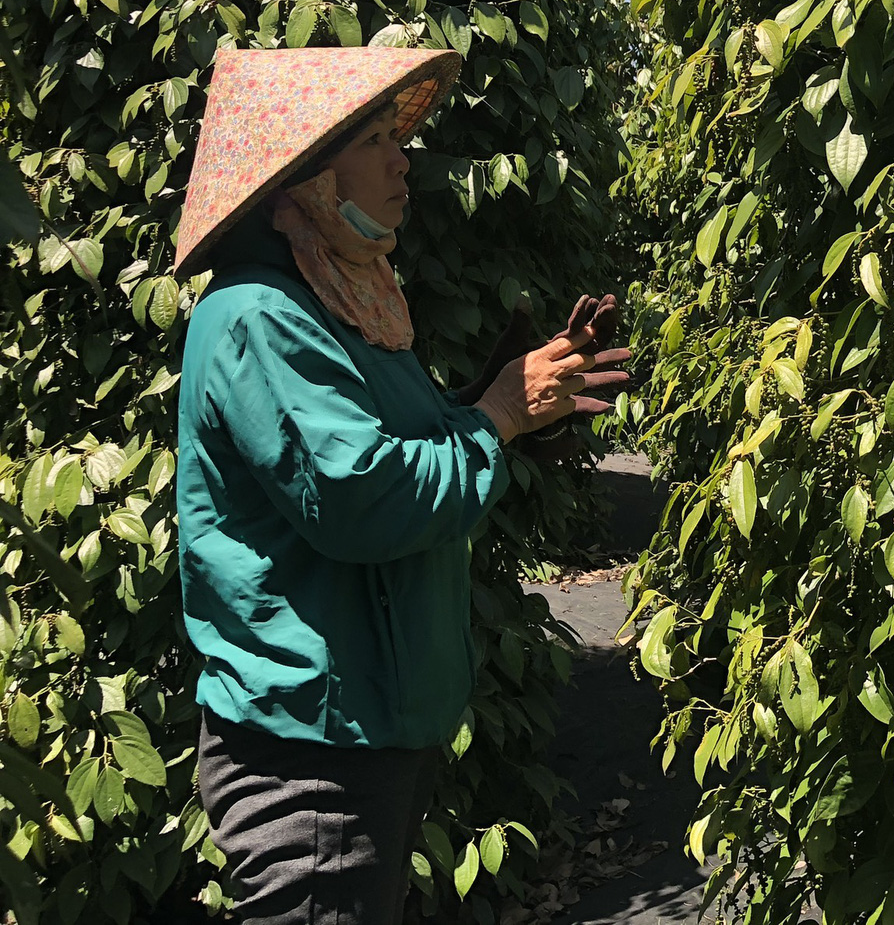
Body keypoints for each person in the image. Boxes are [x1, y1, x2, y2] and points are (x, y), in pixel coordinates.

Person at [171, 46, 632, 924]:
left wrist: (509, 402)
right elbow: (366, 498)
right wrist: (493, 418)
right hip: (309, 754)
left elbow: (395, 446)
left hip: (360, 728)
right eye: (375, 139)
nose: (401, 158)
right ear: (304, 176)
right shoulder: (262, 317)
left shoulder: (337, 298)